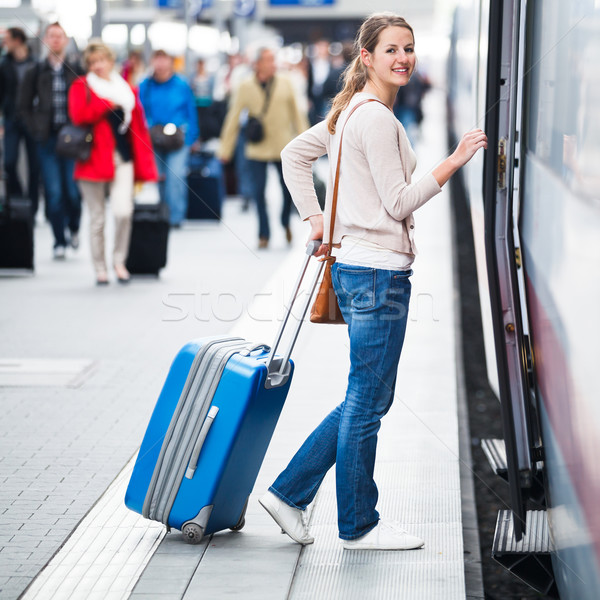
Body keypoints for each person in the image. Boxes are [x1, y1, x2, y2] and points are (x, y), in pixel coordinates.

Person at [258, 13, 487, 550]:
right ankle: (357, 524)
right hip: (378, 273)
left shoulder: (350, 111)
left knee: (366, 396)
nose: (403, 58)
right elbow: (399, 202)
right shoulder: (376, 118)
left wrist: (317, 219)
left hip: (356, 268)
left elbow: (295, 156)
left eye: (408, 48)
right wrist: (453, 161)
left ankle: (289, 493)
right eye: (391, 50)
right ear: (367, 57)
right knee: (367, 399)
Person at [68, 40, 157, 285]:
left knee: (123, 212)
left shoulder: (124, 87)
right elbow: (78, 115)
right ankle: (100, 267)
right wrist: (107, 104)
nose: (98, 66)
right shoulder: (81, 86)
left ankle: (119, 260)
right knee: (97, 217)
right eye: (93, 62)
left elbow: (137, 121)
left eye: (102, 61)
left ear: (110, 61)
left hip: (123, 157)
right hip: (92, 159)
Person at [218, 47, 309, 248]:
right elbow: (233, 117)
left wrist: (308, 146)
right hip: (257, 147)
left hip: (283, 146)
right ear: (257, 64)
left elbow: (298, 115)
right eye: (268, 60)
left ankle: (285, 220)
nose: (272, 64)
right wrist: (225, 149)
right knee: (258, 192)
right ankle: (264, 233)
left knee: (288, 190)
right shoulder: (245, 86)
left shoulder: (286, 83)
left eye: (273, 59)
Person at [18, 22, 84, 259]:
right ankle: (59, 239)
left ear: (66, 40)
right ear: (45, 40)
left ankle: (74, 226)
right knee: (54, 192)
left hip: (73, 139)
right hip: (47, 140)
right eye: (51, 36)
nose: (55, 40)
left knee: (72, 191)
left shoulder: (76, 69)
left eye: (60, 36)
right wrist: (36, 129)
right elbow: (23, 106)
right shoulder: (35, 71)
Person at [139, 50, 199, 227]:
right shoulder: (145, 85)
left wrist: (192, 137)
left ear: (170, 62)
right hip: (154, 137)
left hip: (178, 138)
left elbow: (191, 111)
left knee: (176, 176)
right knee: (157, 177)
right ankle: (162, 213)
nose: (160, 64)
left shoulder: (181, 84)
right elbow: (140, 110)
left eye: (164, 59)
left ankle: (175, 217)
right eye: (157, 59)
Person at [0, 27, 39, 213]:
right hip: (11, 119)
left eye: (7, 39)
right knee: (8, 162)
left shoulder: (35, 64)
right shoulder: (4, 64)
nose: (4, 42)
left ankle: (32, 205)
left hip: (32, 120)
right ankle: (18, 198)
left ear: (18, 40)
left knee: (34, 165)